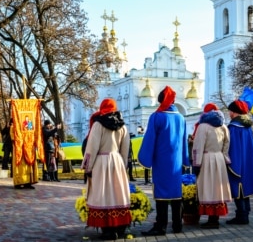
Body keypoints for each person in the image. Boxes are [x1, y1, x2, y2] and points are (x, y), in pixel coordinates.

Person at [138, 86, 189, 236]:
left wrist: (146, 157)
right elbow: (184, 140)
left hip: (161, 160)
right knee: (175, 192)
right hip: (177, 161)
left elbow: (150, 139)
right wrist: (185, 158)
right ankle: (178, 225)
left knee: (161, 193)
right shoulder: (180, 117)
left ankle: (160, 226)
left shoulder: (157, 116)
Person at [82, 99, 132, 240]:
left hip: (101, 162)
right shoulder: (123, 126)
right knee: (117, 193)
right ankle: (119, 226)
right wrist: (123, 166)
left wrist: (88, 167)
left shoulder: (98, 124)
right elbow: (125, 149)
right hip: (117, 160)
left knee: (103, 194)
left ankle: (107, 229)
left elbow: (91, 148)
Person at [191, 103, 232, 229]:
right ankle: (215, 218)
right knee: (217, 189)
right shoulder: (223, 126)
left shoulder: (203, 126)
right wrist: (223, 156)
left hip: (207, 159)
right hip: (219, 159)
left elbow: (198, 146)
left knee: (208, 188)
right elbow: (227, 144)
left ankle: (211, 219)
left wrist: (196, 163)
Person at [226, 100, 253, 224]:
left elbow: (233, 148)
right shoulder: (247, 127)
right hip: (248, 162)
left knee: (239, 190)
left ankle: (242, 216)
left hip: (238, 162)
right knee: (244, 190)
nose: (229, 113)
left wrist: (230, 163)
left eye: (230, 111)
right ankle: (245, 213)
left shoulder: (234, 127)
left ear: (234, 112)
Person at [11, 114, 42, 190]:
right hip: (19, 150)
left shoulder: (28, 126)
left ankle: (28, 182)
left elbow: (32, 134)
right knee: (20, 167)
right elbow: (13, 139)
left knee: (28, 166)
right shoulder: (13, 127)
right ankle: (18, 182)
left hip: (28, 149)